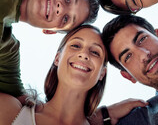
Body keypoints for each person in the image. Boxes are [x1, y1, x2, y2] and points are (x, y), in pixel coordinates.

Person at [0, 25, 147, 125]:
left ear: (102, 73)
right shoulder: (10, 111)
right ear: (57, 58)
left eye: (95, 52)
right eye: (76, 45)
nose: (83, 54)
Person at [98, 14, 158, 124]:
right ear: (128, 76)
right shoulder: (140, 120)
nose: (143, 55)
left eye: (142, 39)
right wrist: (103, 114)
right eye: (128, 56)